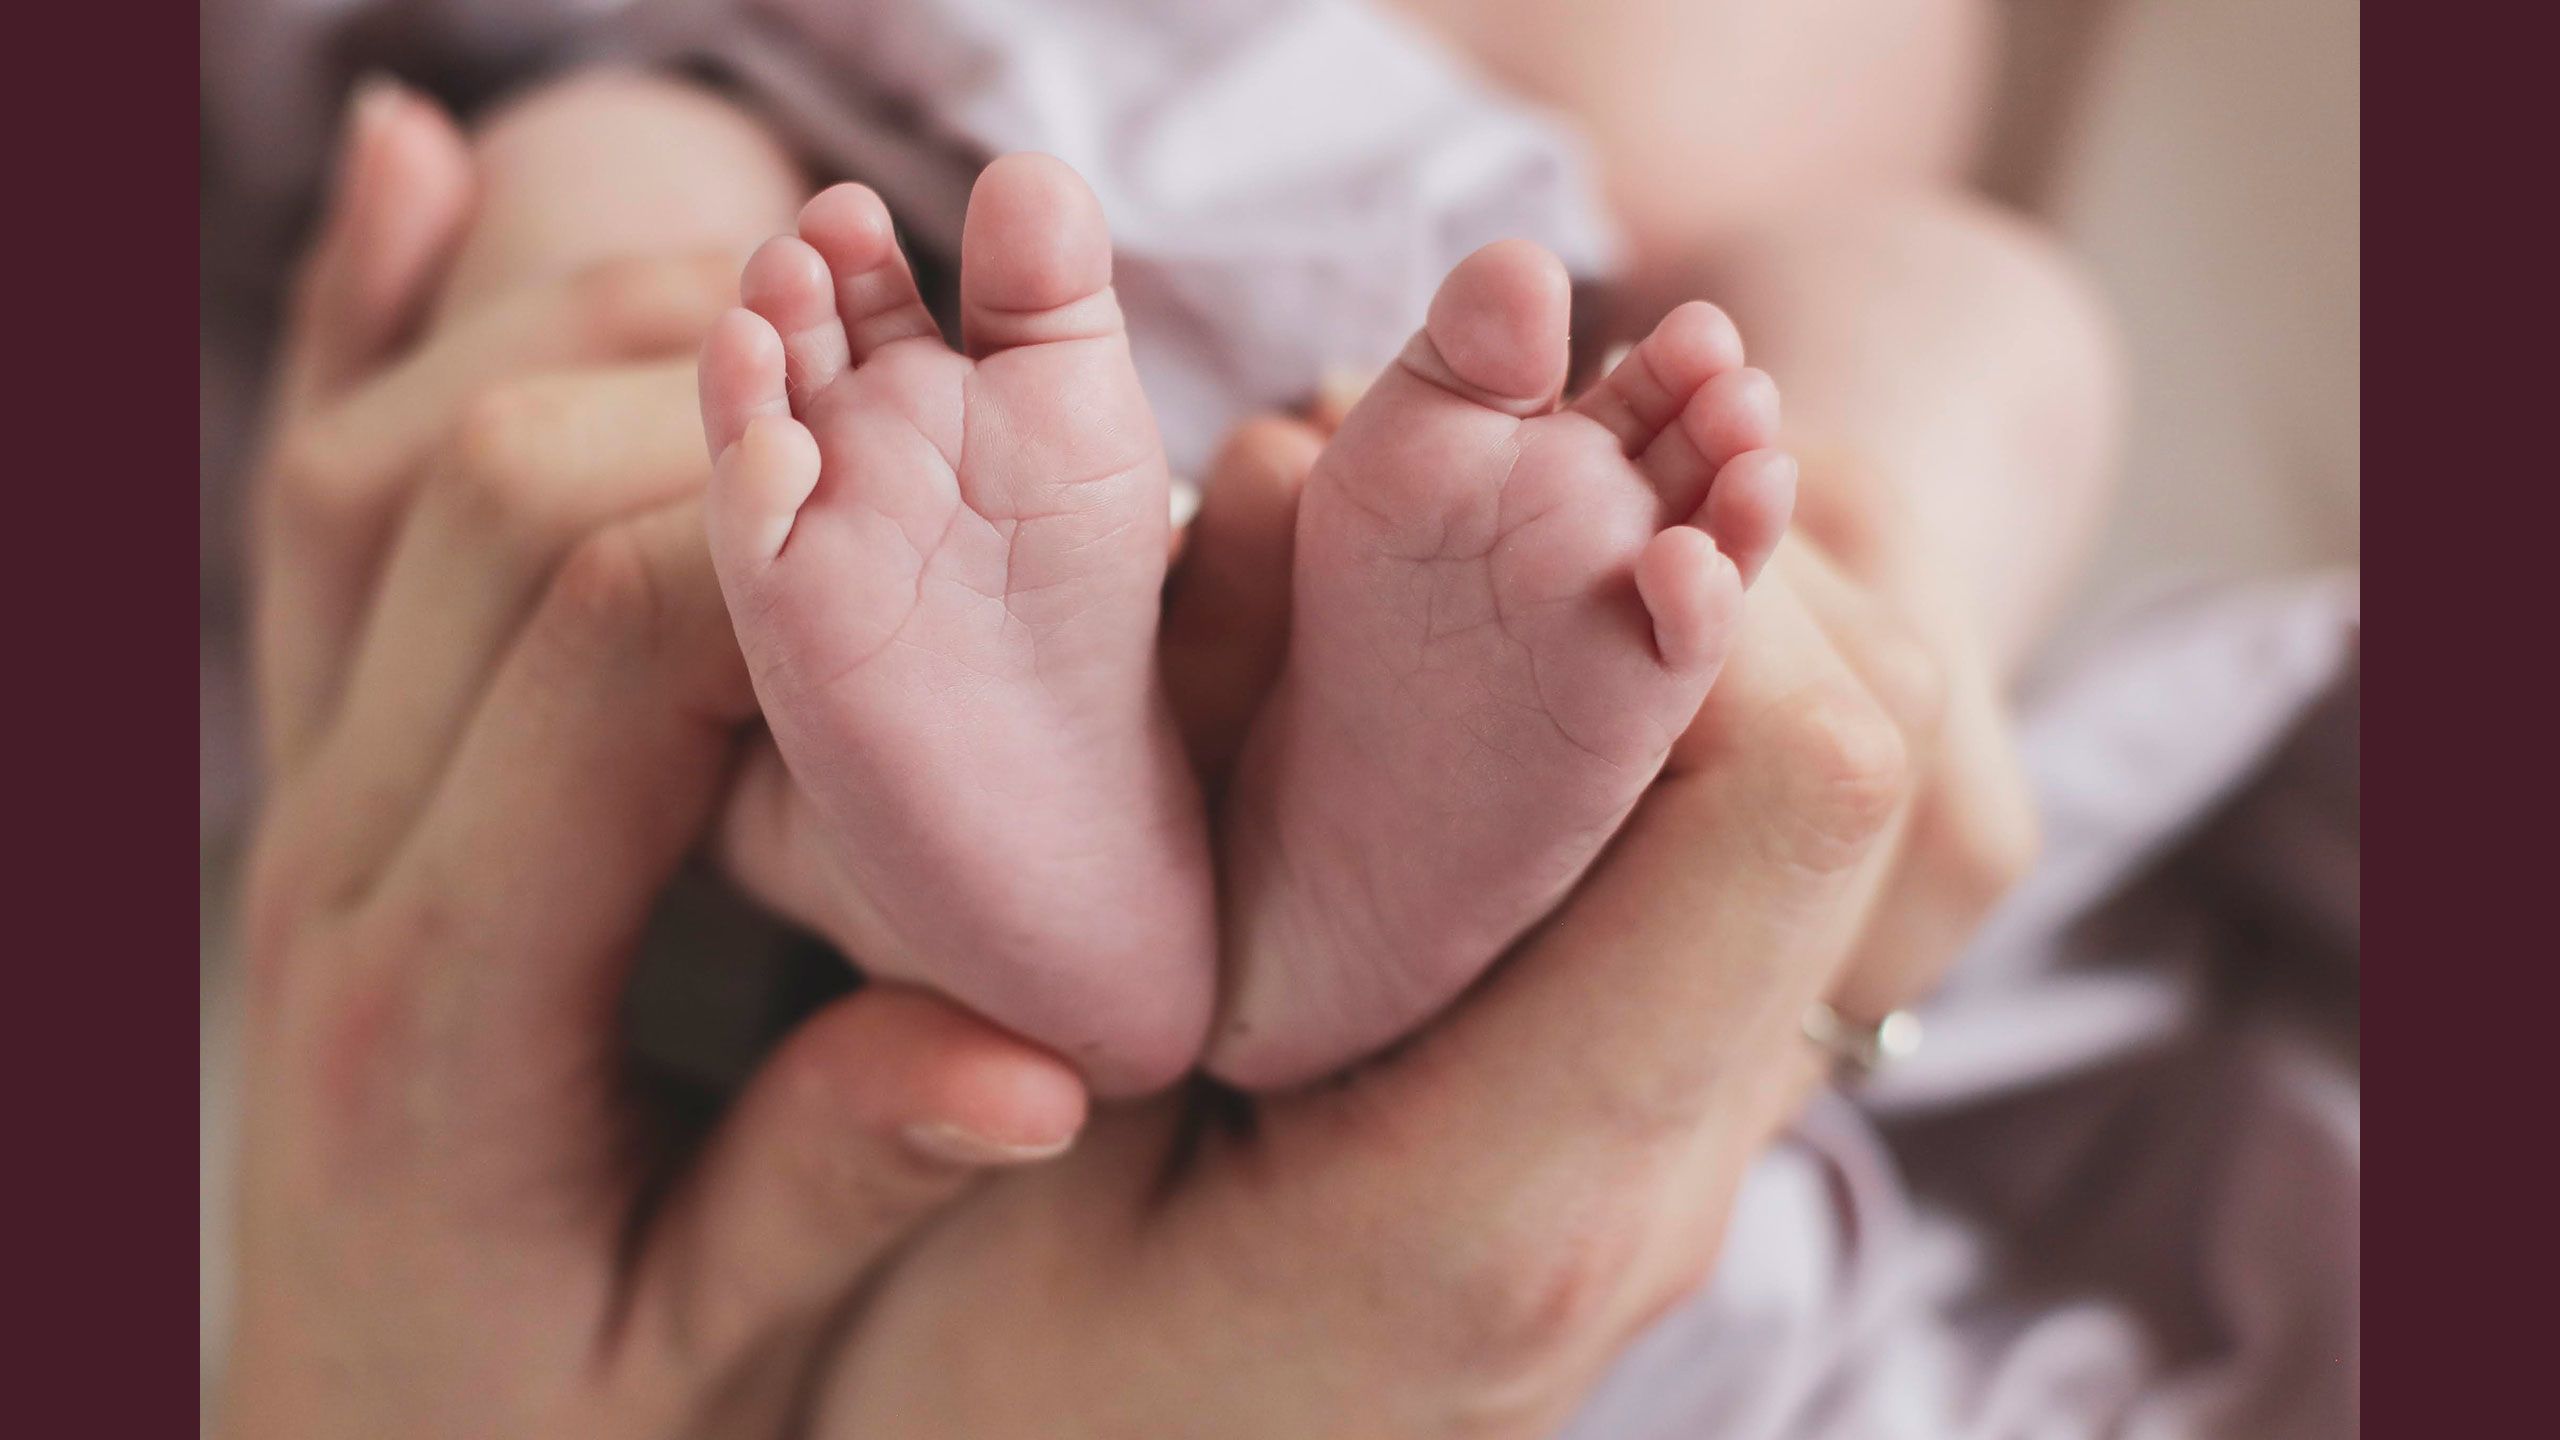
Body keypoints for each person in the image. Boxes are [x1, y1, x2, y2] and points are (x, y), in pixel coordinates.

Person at [214, 8, 2121, 1428]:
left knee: (1975, 319)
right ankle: (989, 850)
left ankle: (1029, 860)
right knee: (608, 204)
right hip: (886, 294)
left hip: (1479, 476)